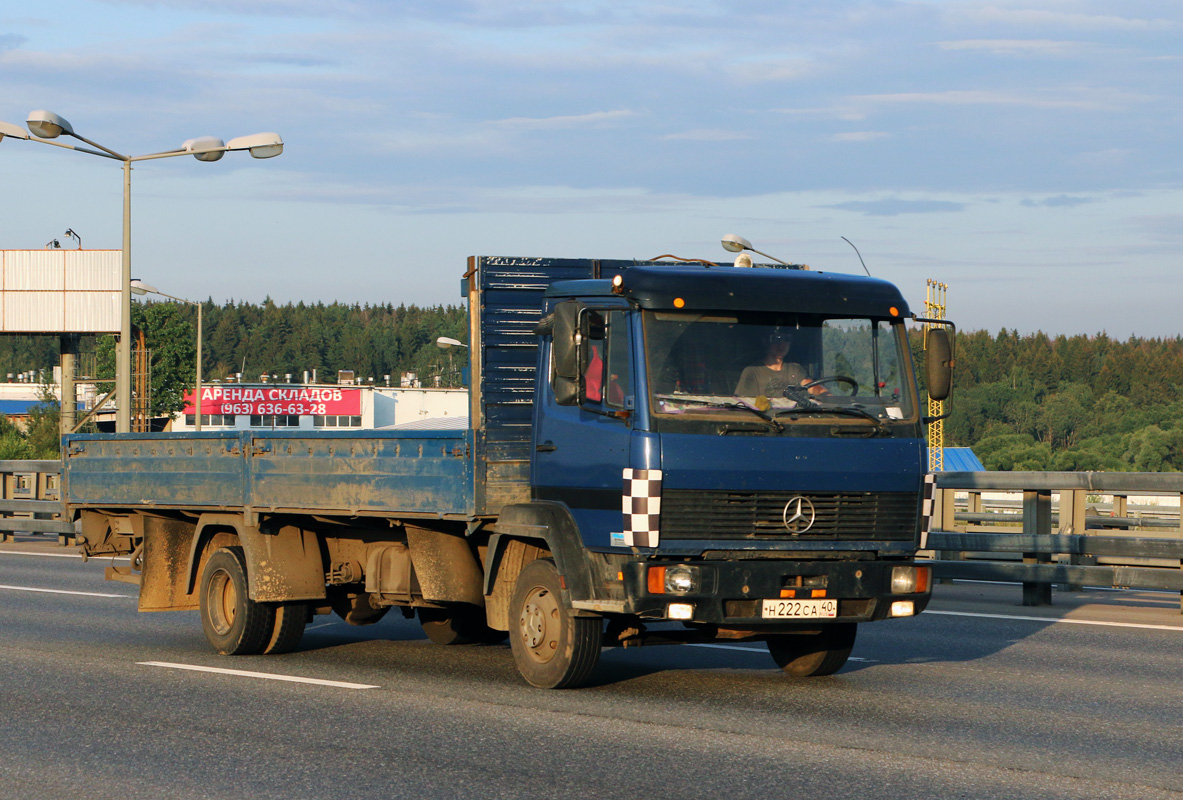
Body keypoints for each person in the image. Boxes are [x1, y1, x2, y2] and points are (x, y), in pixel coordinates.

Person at [734, 329, 818, 398]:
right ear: (766, 341)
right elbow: (746, 404)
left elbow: (814, 388)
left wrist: (825, 396)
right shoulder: (752, 372)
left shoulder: (795, 369)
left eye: (787, 339)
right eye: (776, 339)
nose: (781, 344)